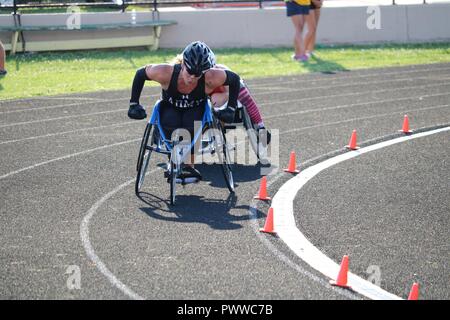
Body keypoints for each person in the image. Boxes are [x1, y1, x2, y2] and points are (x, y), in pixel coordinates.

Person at [127, 41, 241, 181]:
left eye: (197, 74)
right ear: (183, 64)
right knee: (171, 121)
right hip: (170, 107)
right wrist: (134, 103)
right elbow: (140, 74)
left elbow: (235, 80)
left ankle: (188, 166)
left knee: (194, 125)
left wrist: (231, 108)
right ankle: (173, 162)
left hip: (196, 109)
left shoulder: (211, 77)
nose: (192, 77)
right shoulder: (165, 72)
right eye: (190, 71)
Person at [209, 63, 271, 145]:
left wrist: (261, 126)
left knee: (215, 98)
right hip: (216, 96)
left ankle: (260, 127)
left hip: (231, 94)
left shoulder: (223, 73)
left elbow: (248, 101)